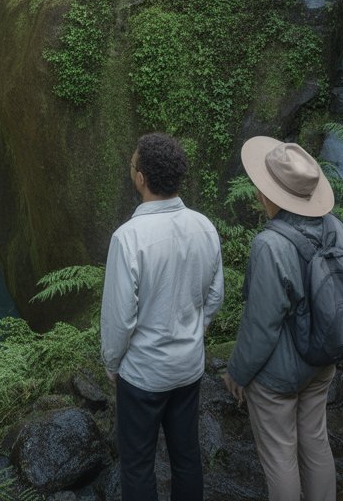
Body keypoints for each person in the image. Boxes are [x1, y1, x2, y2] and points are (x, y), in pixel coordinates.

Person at [223, 136, 343, 501]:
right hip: (322, 359)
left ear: (271, 195)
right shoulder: (335, 228)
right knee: (315, 442)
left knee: (280, 455)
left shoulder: (270, 245)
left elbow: (261, 325)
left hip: (278, 377)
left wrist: (237, 372)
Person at [101, 132, 225, 501]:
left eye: (132, 164)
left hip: (143, 374)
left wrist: (112, 363)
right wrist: (195, 331)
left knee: (137, 464)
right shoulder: (205, 227)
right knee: (187, 457)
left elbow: (119, 319)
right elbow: (215, 297)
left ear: (141, 177)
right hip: (188, 368)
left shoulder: (128, 238)